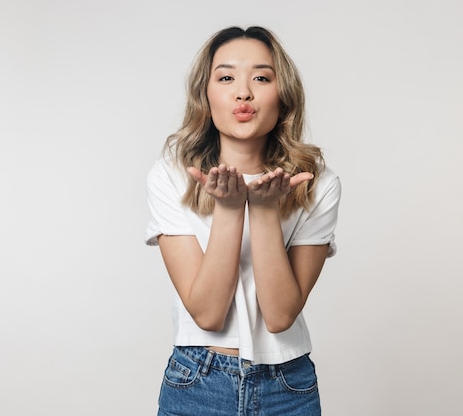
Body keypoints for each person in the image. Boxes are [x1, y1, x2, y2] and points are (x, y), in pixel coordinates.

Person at [145, 26, 341, 416]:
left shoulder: (317, 183)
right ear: (206, 95)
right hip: (197, 383)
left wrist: (266, 210)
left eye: (262, 77)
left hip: (287, 387)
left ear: (283, 97)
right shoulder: (170, 176)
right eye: (227, 77)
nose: (243, 92)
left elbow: (281, 315)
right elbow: (207, 313)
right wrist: (231, 209)